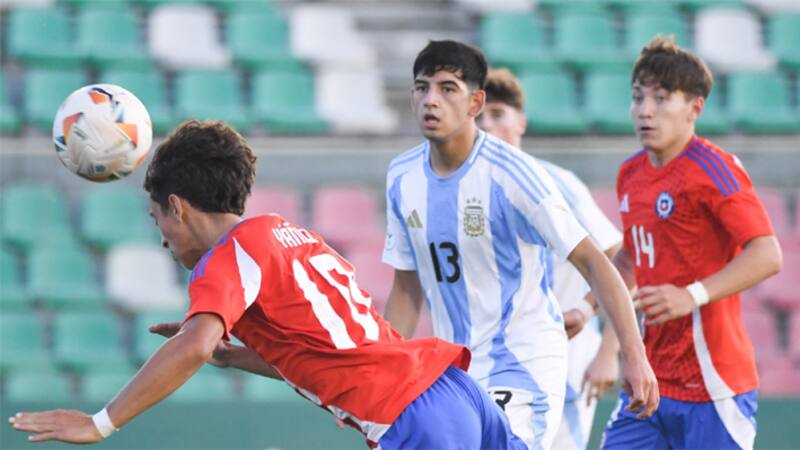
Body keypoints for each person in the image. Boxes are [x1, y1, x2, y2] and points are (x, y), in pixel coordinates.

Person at [8, 120, 527, 450]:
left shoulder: (226, 258)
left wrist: (101, 422)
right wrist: (235, 357)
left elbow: (194, 345)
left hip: (411, 417)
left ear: (179, 207)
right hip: (453, 391)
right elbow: (326, 347)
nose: (164, 239)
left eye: (157, 218)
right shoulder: (285, 231)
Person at [381, 39, 658, 450]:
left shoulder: (515, 174)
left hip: (522, 365)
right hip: (454, 371)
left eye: (447, 88)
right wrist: (384, 374)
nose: (431, 100)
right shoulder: (402, 176)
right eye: (422, 87)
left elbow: (597, 261)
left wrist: (630, 356)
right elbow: (406, 289)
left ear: (475, 102)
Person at [599, 35, 783, 450]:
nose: (645, 110)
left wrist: (692, 295)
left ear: (694, 108)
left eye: (661, 98)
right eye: (637, 97)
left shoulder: (714, 170)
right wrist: (594, 298)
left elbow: (767, 253)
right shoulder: (630, 173)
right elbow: (633, 254)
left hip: (713, 386)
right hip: (651, 382)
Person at [476, 68, 623, 450]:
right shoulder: (469, 193)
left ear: (520, 123)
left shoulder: (556, 183)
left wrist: (606, 345)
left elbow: (618, 257)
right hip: (501, 359)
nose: (487, 126)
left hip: (565, 358)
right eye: (478, 118)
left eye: (497, 114)